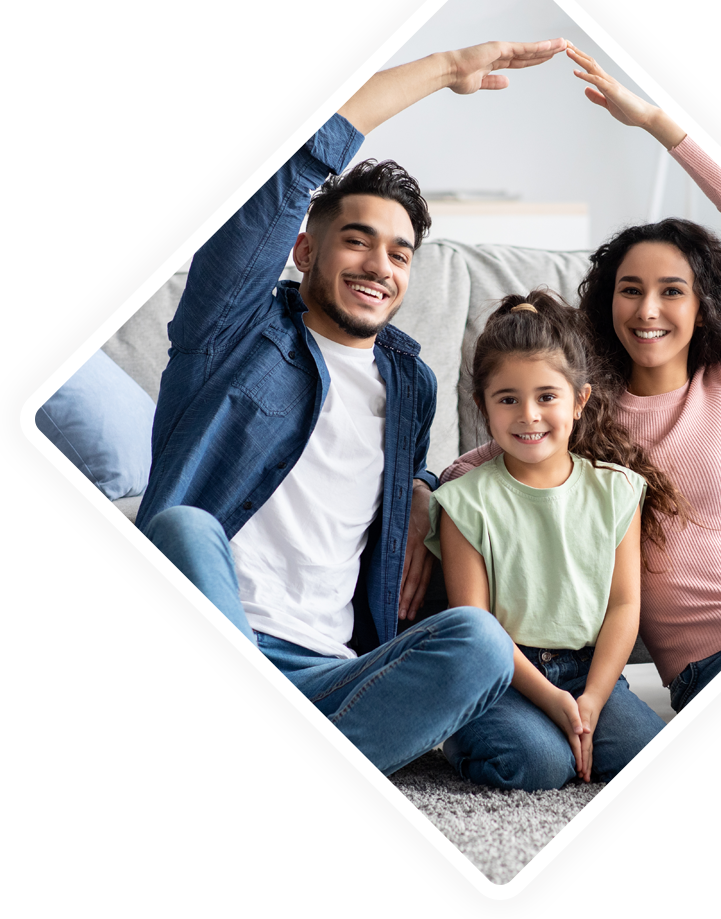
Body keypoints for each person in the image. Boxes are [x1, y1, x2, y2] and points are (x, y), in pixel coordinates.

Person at [136, 39, 569, 775]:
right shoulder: (232, 326)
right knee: (181, 528)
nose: (379, 266)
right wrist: (443, 70)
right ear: (304, 251)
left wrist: (424, 491)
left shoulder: (411, 383)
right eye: (357, 242)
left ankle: (258, 755)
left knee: (515, 715)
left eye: (399, 254)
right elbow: (289, 167)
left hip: (331, 672)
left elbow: (411, 479)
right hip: (218, 627)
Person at [444, 44, 721, 715]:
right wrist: (428, 489)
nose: (648, 310)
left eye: (670, 291)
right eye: (630, 290)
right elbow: (480, 459)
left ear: (703, 303)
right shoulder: (589, 417)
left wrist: (657, 123)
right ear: (609, 304)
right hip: (706, 677)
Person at [425, 291, 679, 791]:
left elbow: (625, 606)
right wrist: (550, 699)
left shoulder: (617, 489)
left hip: (591, 671)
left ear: (579, 401)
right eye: (507, 399)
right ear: (483, 406)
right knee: (539, 765)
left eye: (547, 397)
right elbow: (480, 631)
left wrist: (591, 699)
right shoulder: (463, 502)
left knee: (646, 756)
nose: (529, 415)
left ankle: (570, 725)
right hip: (502, 675)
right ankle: (461, 733)